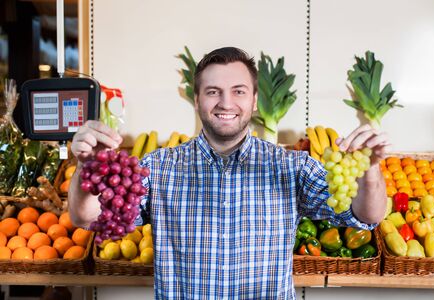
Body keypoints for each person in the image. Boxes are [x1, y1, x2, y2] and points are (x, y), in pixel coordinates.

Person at [69, 47, 389, 299]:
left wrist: (371, 170)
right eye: (213, 91)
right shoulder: (159, 167)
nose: (226, 102)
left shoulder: (293, 167)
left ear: (254, 100)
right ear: (197, 100)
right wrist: (86, 167)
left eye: (238, 91)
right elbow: (87, 218)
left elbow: (365, 216)